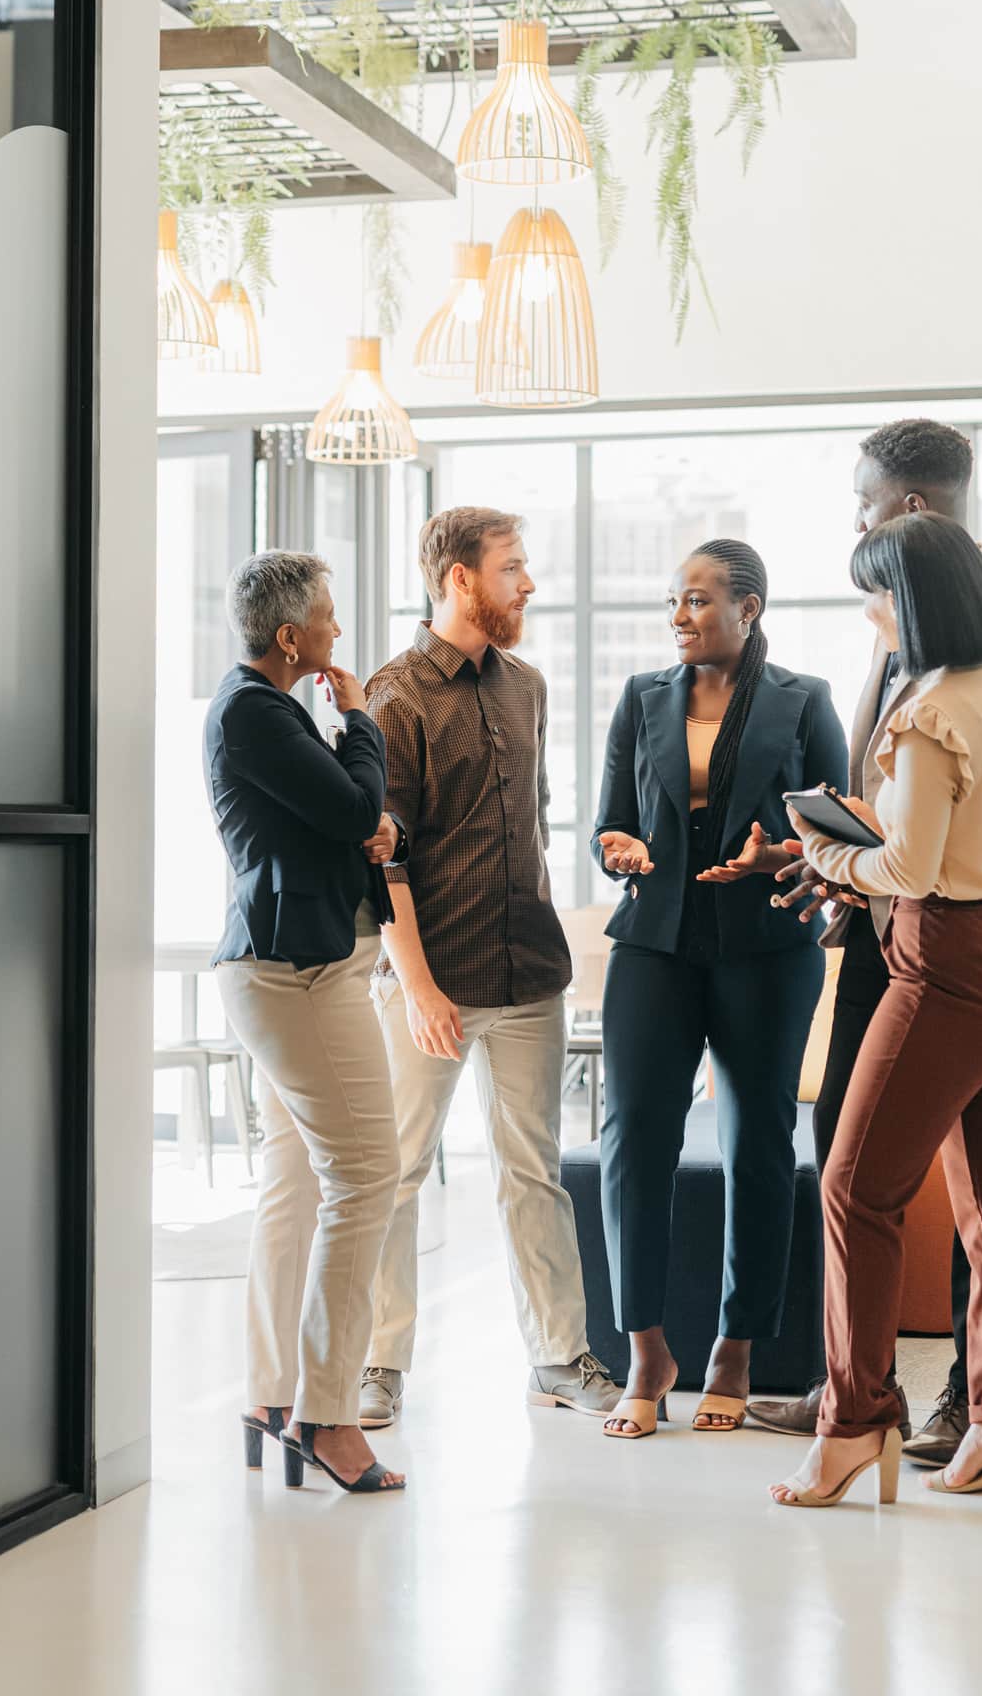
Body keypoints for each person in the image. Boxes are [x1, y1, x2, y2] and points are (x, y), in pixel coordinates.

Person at [749, 419, 982, 1465]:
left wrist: (836, 858)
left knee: (853, 1188)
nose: (869, 608)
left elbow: (922, 857)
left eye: (871, 581)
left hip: (950, 948)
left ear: (910, 537)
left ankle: (858, 1419)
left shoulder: (953, 690)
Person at [358, 507, 620, 1427]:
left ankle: (559, 1354)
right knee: (395, 1174)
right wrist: (419, 987)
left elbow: (532, 826)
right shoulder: (395, 697)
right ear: (460, 579)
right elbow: (379, 855)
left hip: (530, 976)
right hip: (434, 985)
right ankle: (377, 1363)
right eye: (513, 567)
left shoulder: (528, 688)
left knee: (534, 1172)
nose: (528, 583)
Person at [593, 540, 848, 1440]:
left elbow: (840, 835)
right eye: (673, 601)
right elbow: (607, 824)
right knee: (632, 1142)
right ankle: (646, 1348)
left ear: (750, 607)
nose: (679, 616)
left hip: (768, 949)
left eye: (697, 600)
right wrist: (617, 848)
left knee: (758, 1146)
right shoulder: (641, 698)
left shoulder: (804, 700)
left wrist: (778, 853)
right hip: (654, 947)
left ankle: (737, 1346)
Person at [206, 550, 406, 1495]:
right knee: (366, 1174)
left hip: (294, 965)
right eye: (326, 617)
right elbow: (351, 804)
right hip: (298, 975)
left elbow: (344, 822)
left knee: (298, 1180)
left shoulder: (273, 713)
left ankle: (270, 1393)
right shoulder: (256, 711)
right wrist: (361, 717)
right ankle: (326, 1413)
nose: (336, 630)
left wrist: (370, 823)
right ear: (291, 637)